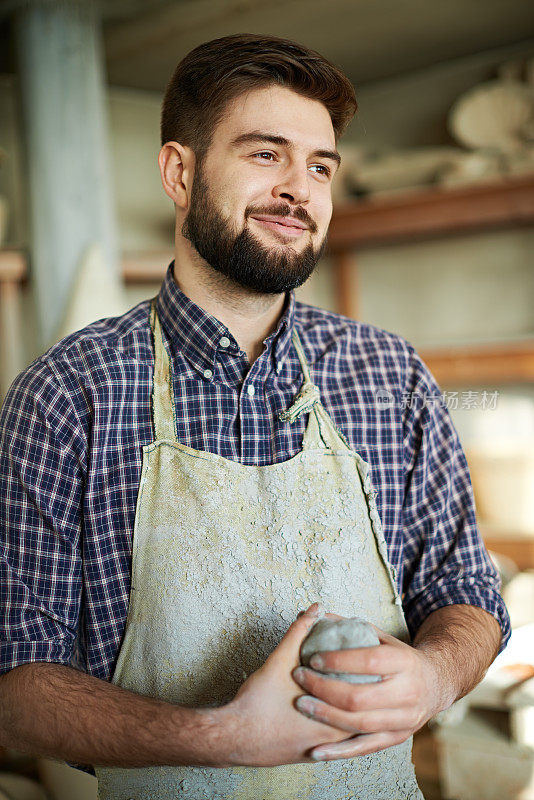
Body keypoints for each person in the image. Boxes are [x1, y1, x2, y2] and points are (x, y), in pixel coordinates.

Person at [0, 33, 509, 800]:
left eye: (320, 166)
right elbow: (12, 681)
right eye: (266, 154)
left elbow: (464, 584)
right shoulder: (67, 395)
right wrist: (219, 738)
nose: (299, 189)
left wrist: (434, 677)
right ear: (180, 171)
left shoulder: (391, 376)